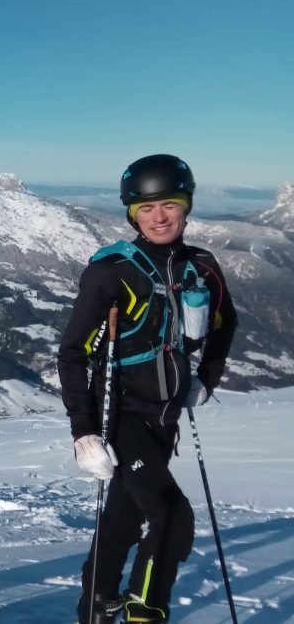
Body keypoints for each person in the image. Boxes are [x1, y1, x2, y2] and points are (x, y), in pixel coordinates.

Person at [58, 154, 238, 623]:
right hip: (118, 416)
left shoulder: (202, 266)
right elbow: (73, 353)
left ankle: (95, 607)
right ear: (132, 213)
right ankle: (146, 612)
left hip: (165, 419)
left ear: (187, 206)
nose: (159, 217)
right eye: (147, 207)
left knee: (122, 517)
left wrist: (206, 378)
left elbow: (226, 322)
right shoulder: (112, 270)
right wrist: (84, 434)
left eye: (170, 205)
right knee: (171, 515)